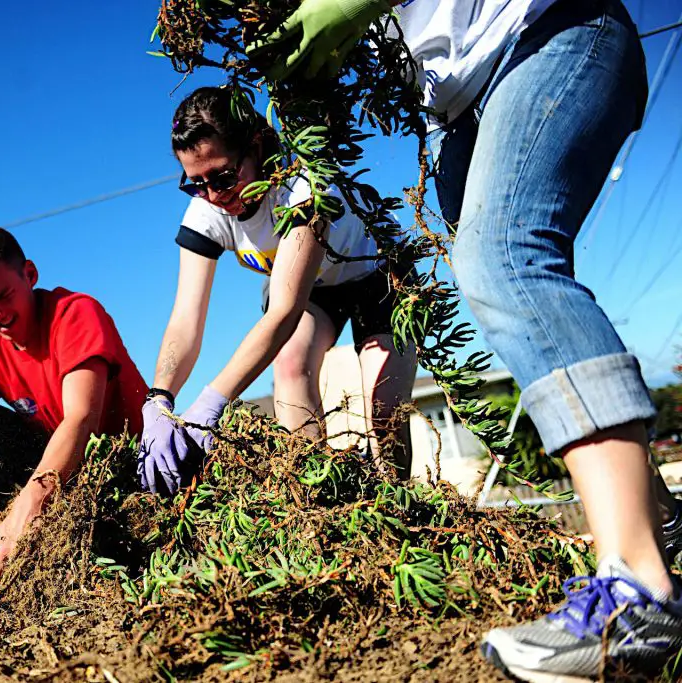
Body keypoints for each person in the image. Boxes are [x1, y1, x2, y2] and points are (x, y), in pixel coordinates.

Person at [252, 0, 682, 679]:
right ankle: (656, 521)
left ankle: (637, 589)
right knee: (507, 279)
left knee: (507, 258)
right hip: (466, 108)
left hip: (549, 31)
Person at [138, 86, 417, 498]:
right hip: (317, 288)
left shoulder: (301, 188)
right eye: (196, 184)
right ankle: (316, 501)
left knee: (384, 409)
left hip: (379, 274)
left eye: (224, 176)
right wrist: (159, 398)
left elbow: (284, 310)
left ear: (256, 145)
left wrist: (211, 405)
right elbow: (185, 319)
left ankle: (397, 505)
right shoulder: (207, 211)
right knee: (289, 366)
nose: (215, 196)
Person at [0, 226, 147, 584]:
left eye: (4, 296)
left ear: (30, 275)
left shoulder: (76, 313)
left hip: (125, 459)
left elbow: (82, 419)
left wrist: (32, 502)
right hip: (54, 456)